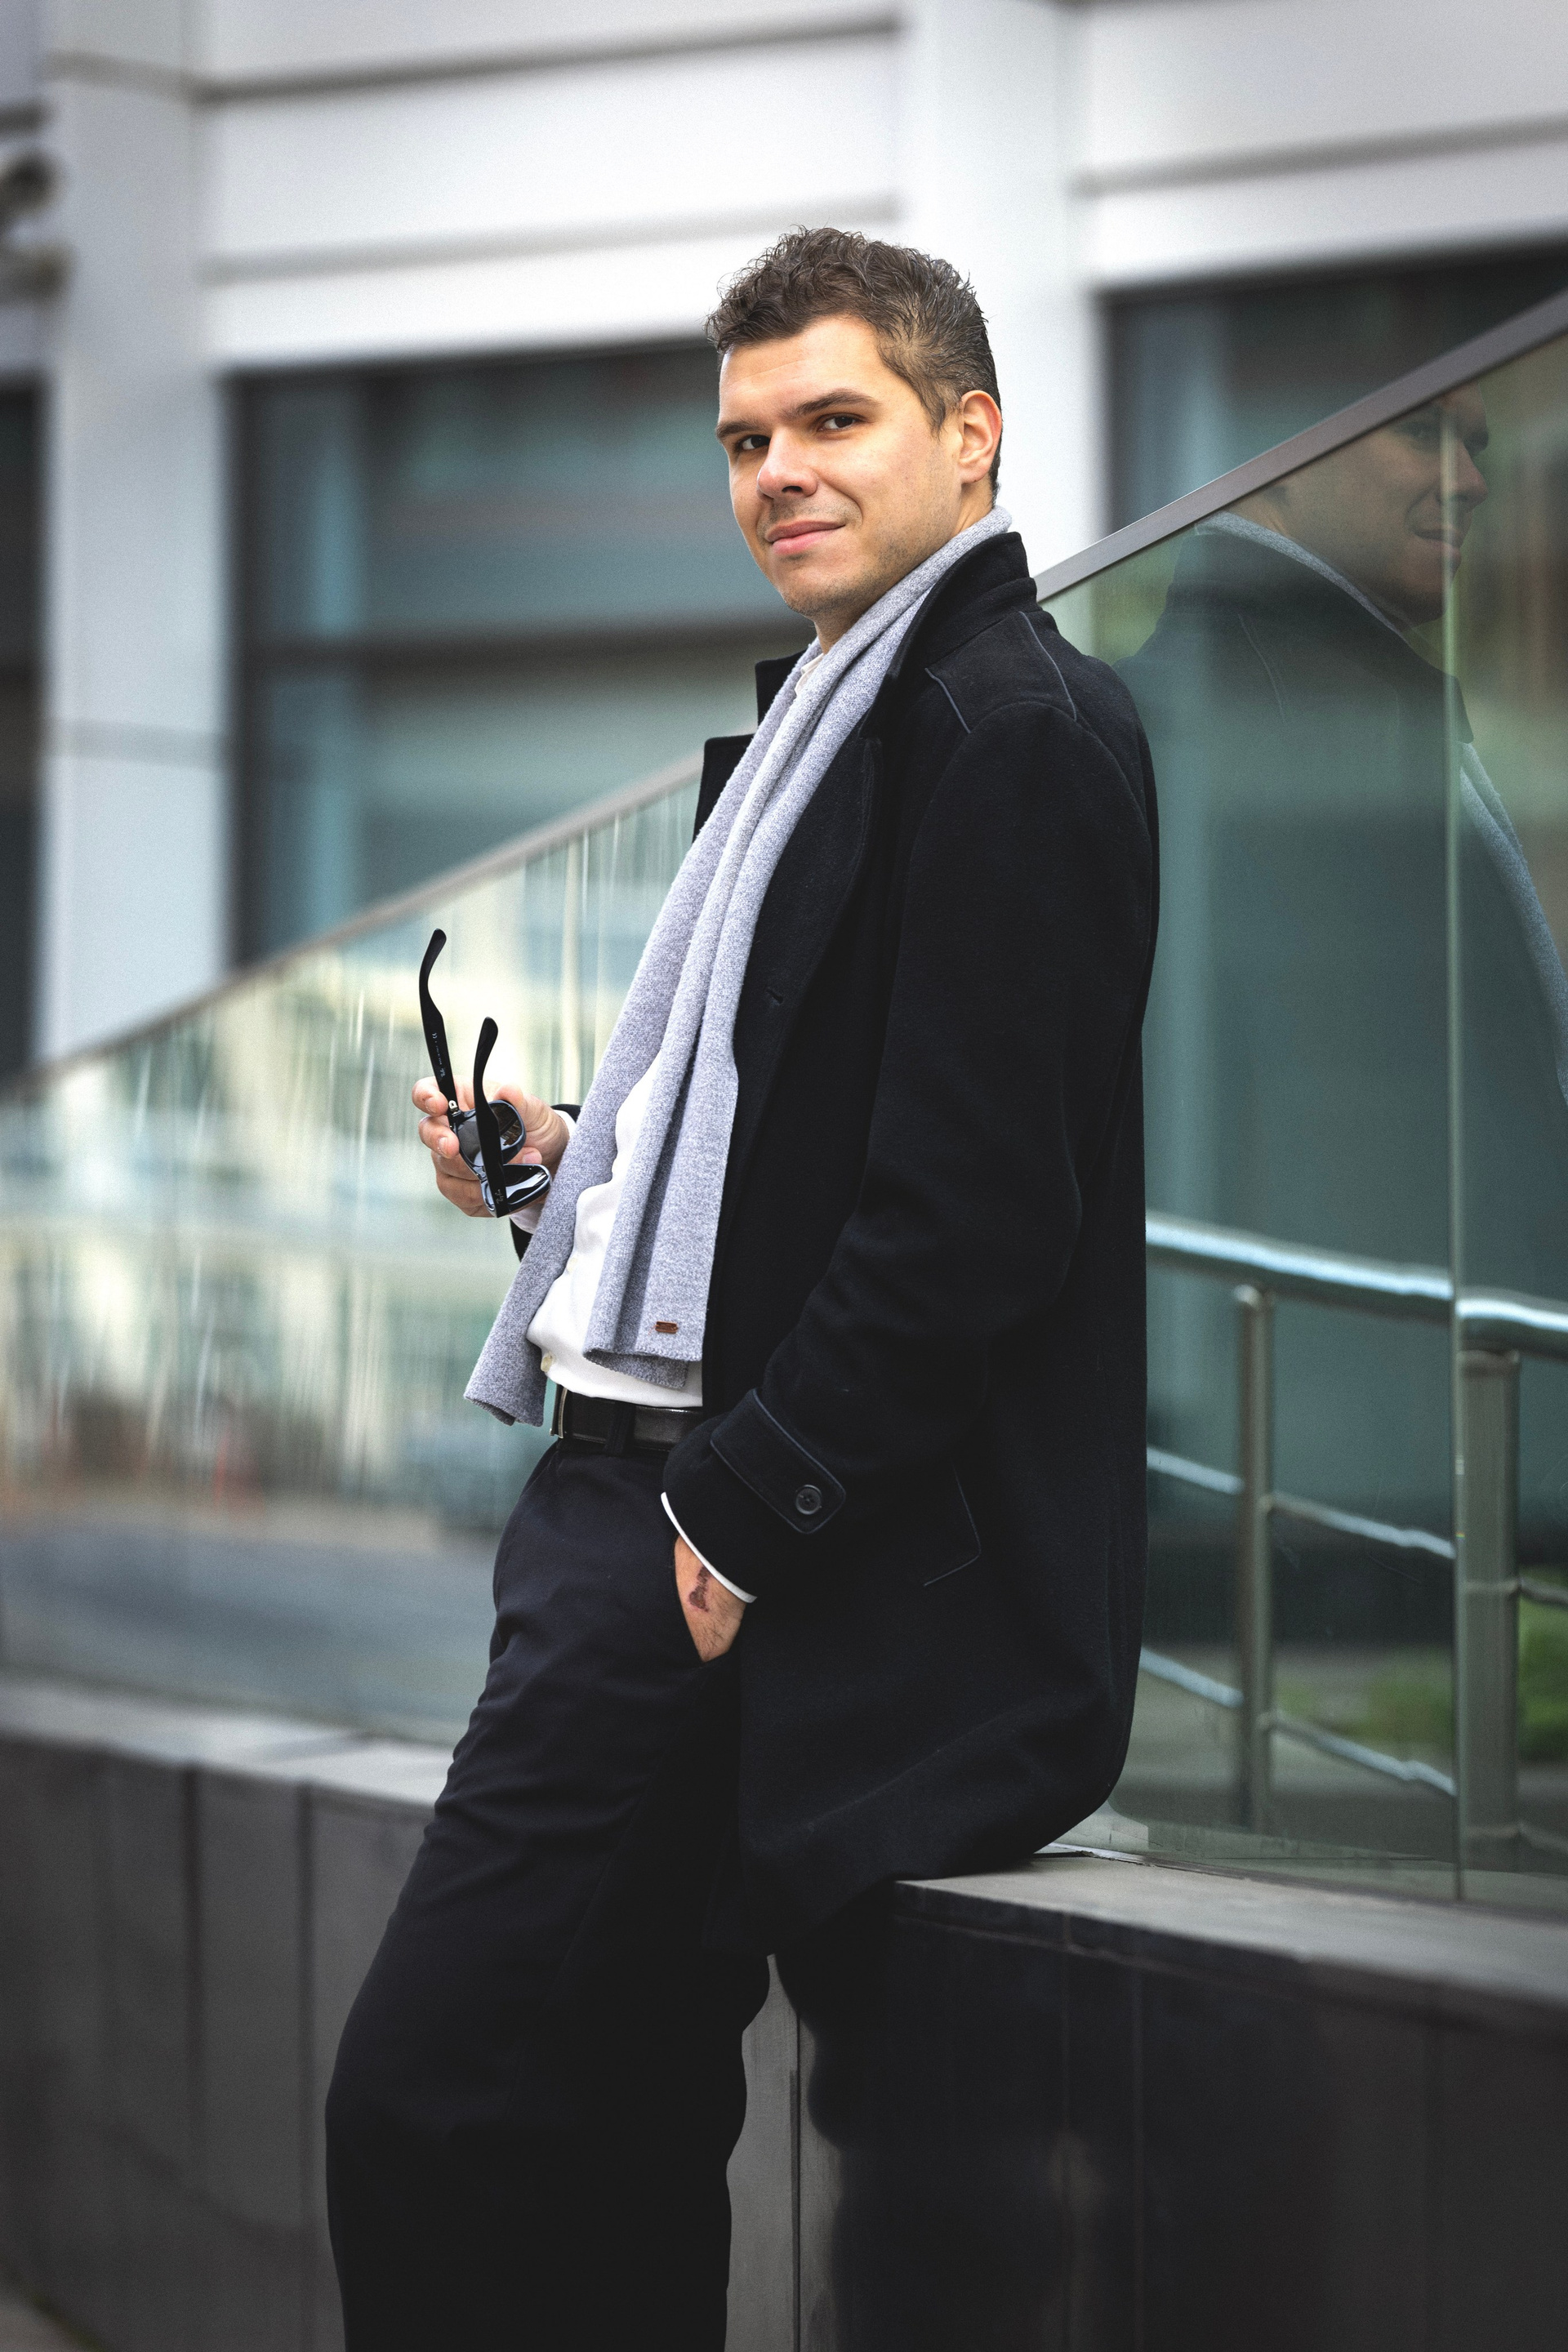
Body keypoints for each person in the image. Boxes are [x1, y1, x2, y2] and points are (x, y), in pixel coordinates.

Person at [325, 226, 1159, 2350]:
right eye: (744, 440)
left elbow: (980, 1210)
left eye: (833, 420)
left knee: (439, 2115)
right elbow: (787, 1153)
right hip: (647, 1513)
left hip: (717, 1540)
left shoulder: (1012, 730)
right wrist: (562, 1182)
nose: (779, 470)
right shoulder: (828, 729)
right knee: (599, 2137)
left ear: (971, 437)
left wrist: (740, 1511)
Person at [1121, 387, 1568, 1298]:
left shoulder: (1339, 699)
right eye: (1421, 432)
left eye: (1475, 444)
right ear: (1276, 457)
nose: (1472, 481)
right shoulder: (1235, 721)